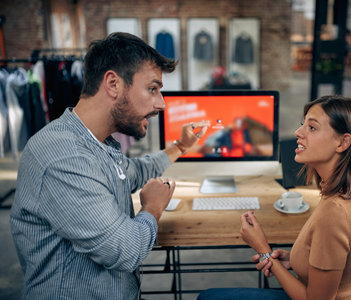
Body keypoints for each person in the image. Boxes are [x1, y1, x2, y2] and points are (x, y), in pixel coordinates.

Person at [10, 32, 210, 299]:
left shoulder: (96, 144)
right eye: (153, 88)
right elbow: (125, 250)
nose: (161, 103)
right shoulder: (63, 155)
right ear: (113, 84)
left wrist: (181, 146)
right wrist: (152, 208)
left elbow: (135, 172)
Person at [198, 95, 351, 300]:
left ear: (343, 142)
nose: (297, 133)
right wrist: (295, 260)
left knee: (207, 298)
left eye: (312, 128)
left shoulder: (334, 212)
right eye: (303, 125)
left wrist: (263, 250)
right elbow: (343, 263)